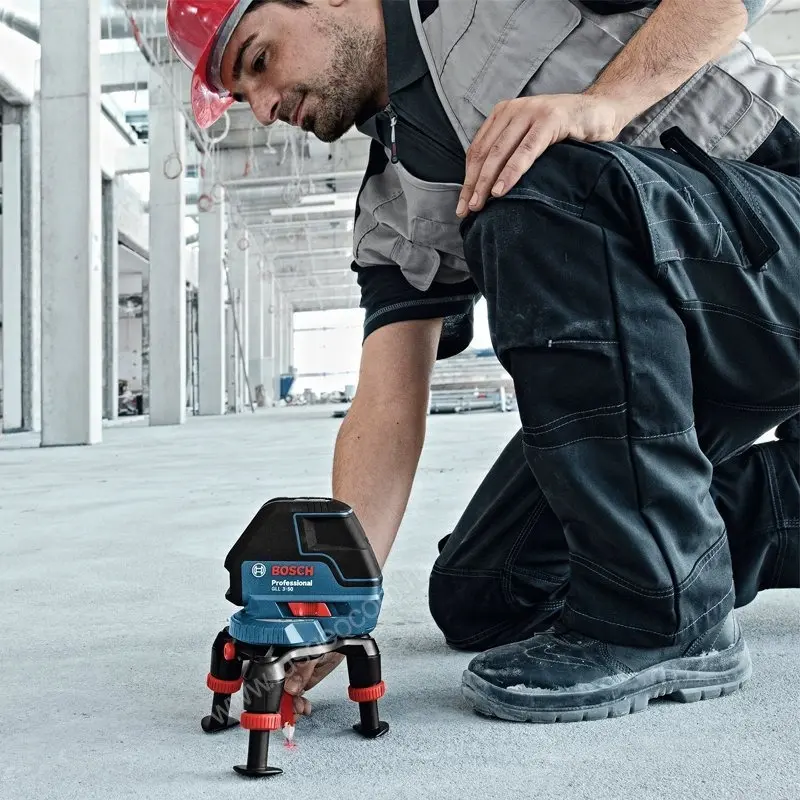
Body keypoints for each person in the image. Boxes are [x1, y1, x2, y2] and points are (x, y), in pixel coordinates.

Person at [166, 0, 800, 722]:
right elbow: (387, 406)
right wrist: (337, 599)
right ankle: (734, 529)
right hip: (690, 349)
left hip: (779, 244)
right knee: (488, 590)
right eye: (244, 99)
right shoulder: (393, 208)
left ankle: (662, 617)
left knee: (529, 170)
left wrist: (602, 103)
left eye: (258, 62)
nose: (265, 108)